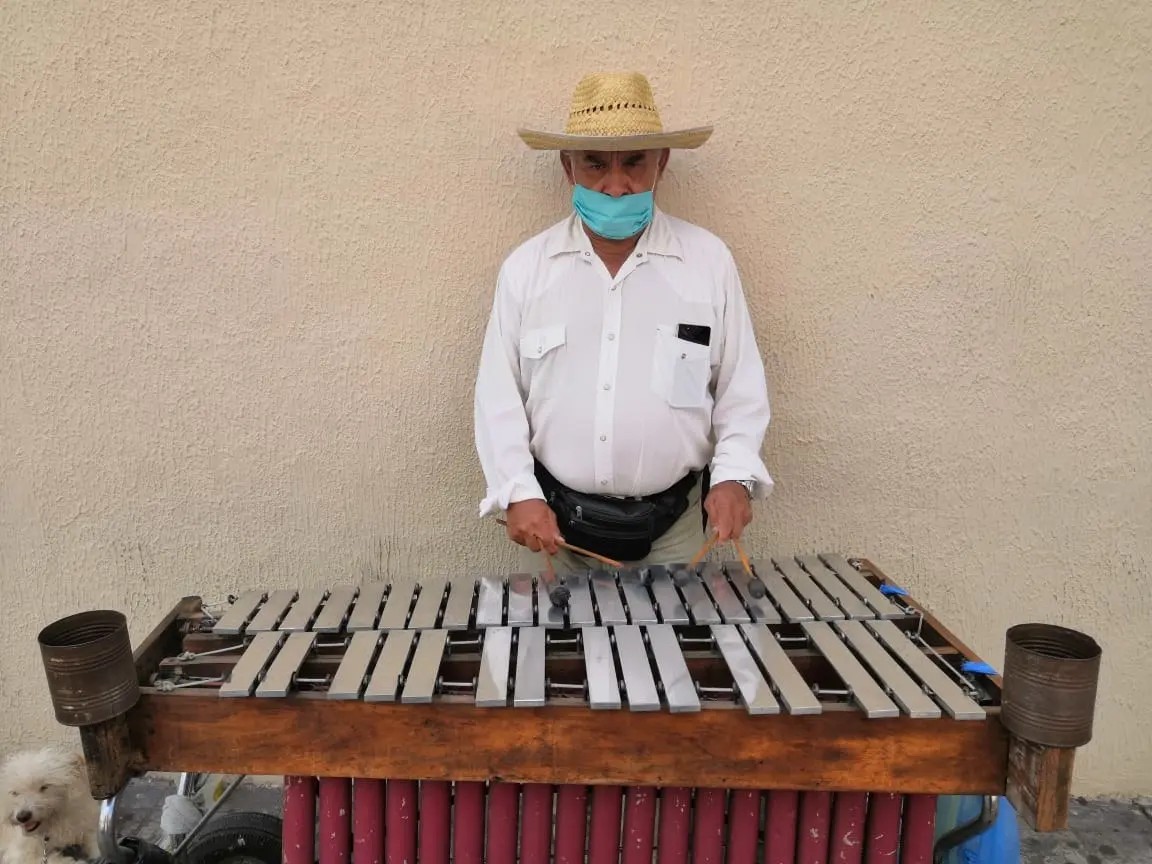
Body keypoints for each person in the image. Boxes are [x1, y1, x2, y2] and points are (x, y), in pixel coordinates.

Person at [473, 71, 773, 574]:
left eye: (634, 161)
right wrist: (516, 491)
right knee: (560, 653)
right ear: (568, 169)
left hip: (676, 536)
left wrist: (733, 478)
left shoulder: (708, 263)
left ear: (663, 162)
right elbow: (498, 398)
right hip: (558, 536)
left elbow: (740, 389)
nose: (616, 185)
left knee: (675, 653)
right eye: (595, 163)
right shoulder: (527, 270)